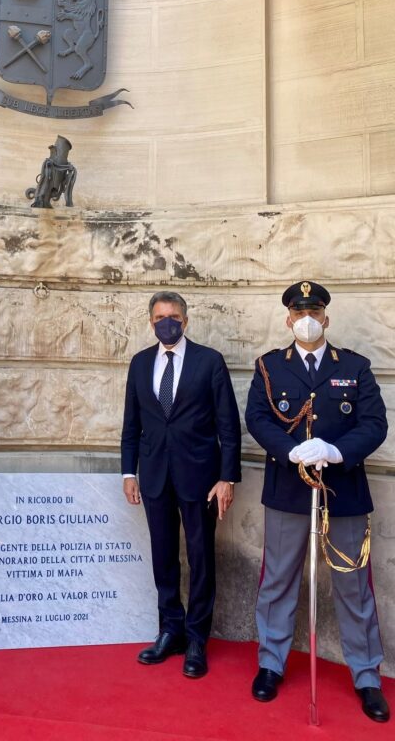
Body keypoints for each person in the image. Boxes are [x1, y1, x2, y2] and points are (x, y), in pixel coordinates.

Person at [245, 280, 389, 723]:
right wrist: (289, 451)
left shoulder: (355, 367)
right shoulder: (270, 366)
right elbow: (257, 417)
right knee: (277, 580)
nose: (306, 319)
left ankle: (366, 675)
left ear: (326, 318)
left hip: (343, 490)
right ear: (287, 319)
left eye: (314, 311)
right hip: (288, 489)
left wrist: (336, 451)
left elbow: (375, 423)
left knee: (353, 584)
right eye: (298, 312)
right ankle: (271, 663)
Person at [121, 290, 241, 678]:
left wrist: (226, 477)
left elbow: (228, 425)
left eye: (173, 317)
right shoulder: (140, 363)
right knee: (163, 556)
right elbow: (131, 424)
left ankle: (196, 639)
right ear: (151, 322)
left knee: (201, 557)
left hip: (200, 478)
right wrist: (128, 472)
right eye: (159, 318)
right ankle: (170, 630)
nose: (166, 323)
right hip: (155, 475)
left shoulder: (209, 361)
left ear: (185, 321)